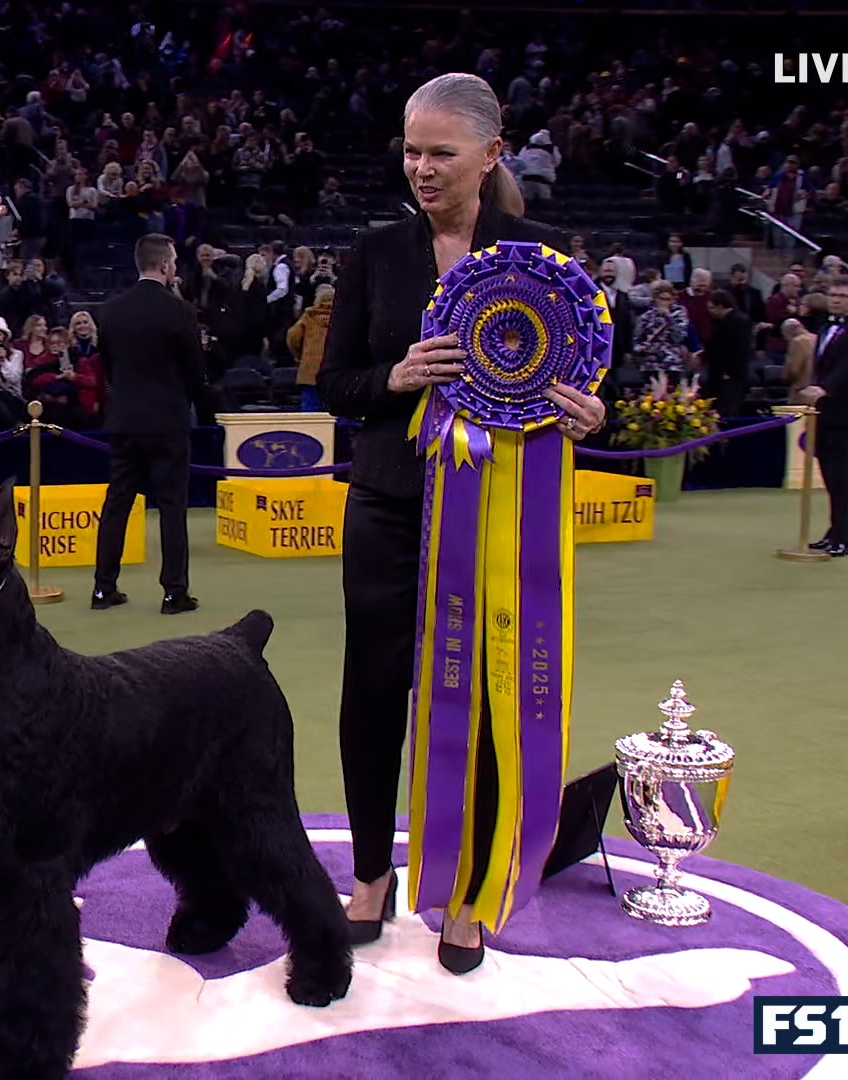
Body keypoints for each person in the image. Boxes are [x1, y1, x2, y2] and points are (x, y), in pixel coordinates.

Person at [318, 72, 606, 975]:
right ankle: (370, 875)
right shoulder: (373, 252)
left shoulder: (542, 260)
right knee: (373, 689)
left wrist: (593, 413)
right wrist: (396, 379)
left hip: (496, 520)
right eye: (411, 150)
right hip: (388, 505)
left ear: (491, 152)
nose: (422, 168)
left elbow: (588, 383)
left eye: (441, 152)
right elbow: (335, 385)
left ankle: (467, 895)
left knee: (485, 698)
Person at [89, 233, 211, 614]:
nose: (175, 267)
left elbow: (108, 366)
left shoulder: (109, 311)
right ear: (164, 265)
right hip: (167, 422)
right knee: (173, 508)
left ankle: (102, 589)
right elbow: (196, 374)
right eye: (173, 261)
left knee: (117, 504)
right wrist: (187, 403)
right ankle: (174, 593)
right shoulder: (181, 312)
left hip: (124, 420)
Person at [799, 272, 848, 557]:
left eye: (842, 296)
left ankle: (843, 537)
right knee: (829, 477)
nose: (836, 301)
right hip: (823, 415)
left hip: (845, 415)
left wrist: (825, 388)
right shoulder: (823, 326)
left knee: (841, 479)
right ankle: (832, 534)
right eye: (833, 296)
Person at [700, 290, 753, 416]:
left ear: (720, 306)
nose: (709, 311)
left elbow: (738, 350)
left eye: (711, 307)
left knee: (728, 411)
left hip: (730, 377)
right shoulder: (722, 322)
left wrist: (728, 371)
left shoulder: (739, 322)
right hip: (718, 375)